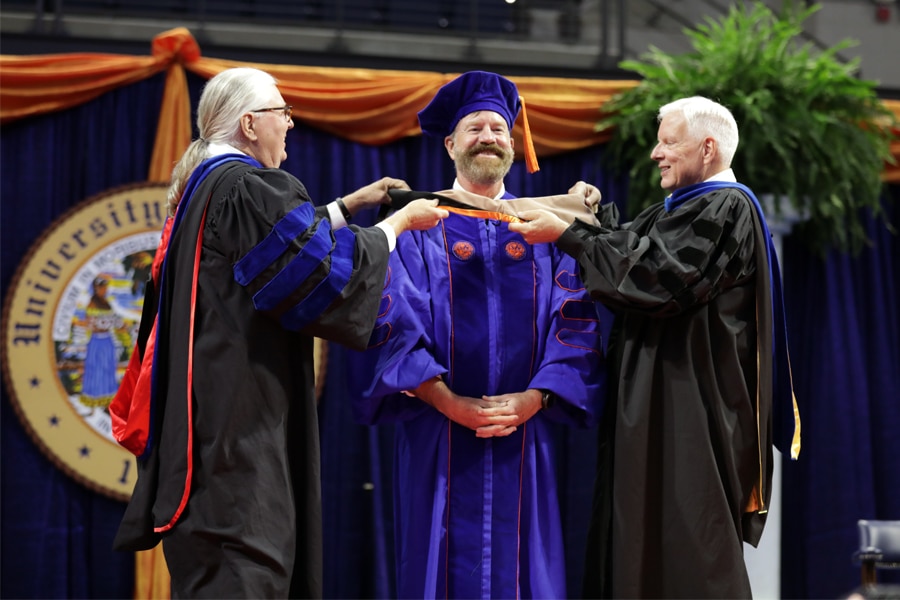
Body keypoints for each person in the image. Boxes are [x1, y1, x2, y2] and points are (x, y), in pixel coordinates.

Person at [110, 66, 447, 599]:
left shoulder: (207, 188)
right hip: (237, 449)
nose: (290, 124)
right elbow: (312, 279)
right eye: (282, 113)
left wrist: (345, 207)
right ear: (249, 123)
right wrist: (395, 227)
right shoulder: (249, 186)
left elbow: (270, 251)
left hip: (203, 450)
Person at [509, 95, 801, 598]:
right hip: (663, 398)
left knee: (687, 546)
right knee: (648, 541)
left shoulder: (725, 206)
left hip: (692, 404)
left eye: (668, 141)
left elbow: (660, 277)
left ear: (707, 148)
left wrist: (571, 236)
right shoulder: (691, 207)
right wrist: (592, 215)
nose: (654, 153)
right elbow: (636, 248)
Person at [352, 70, 610, 599]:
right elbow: (395, 321)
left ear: (512, 144)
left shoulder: (544, 227)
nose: (489, 136)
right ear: (450, 144)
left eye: (498, 127)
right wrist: (447, 401)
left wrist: (535, 400)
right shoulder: (419, 224)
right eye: (475, 128)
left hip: (521, 433)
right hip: (437, 431)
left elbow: (575, 319)